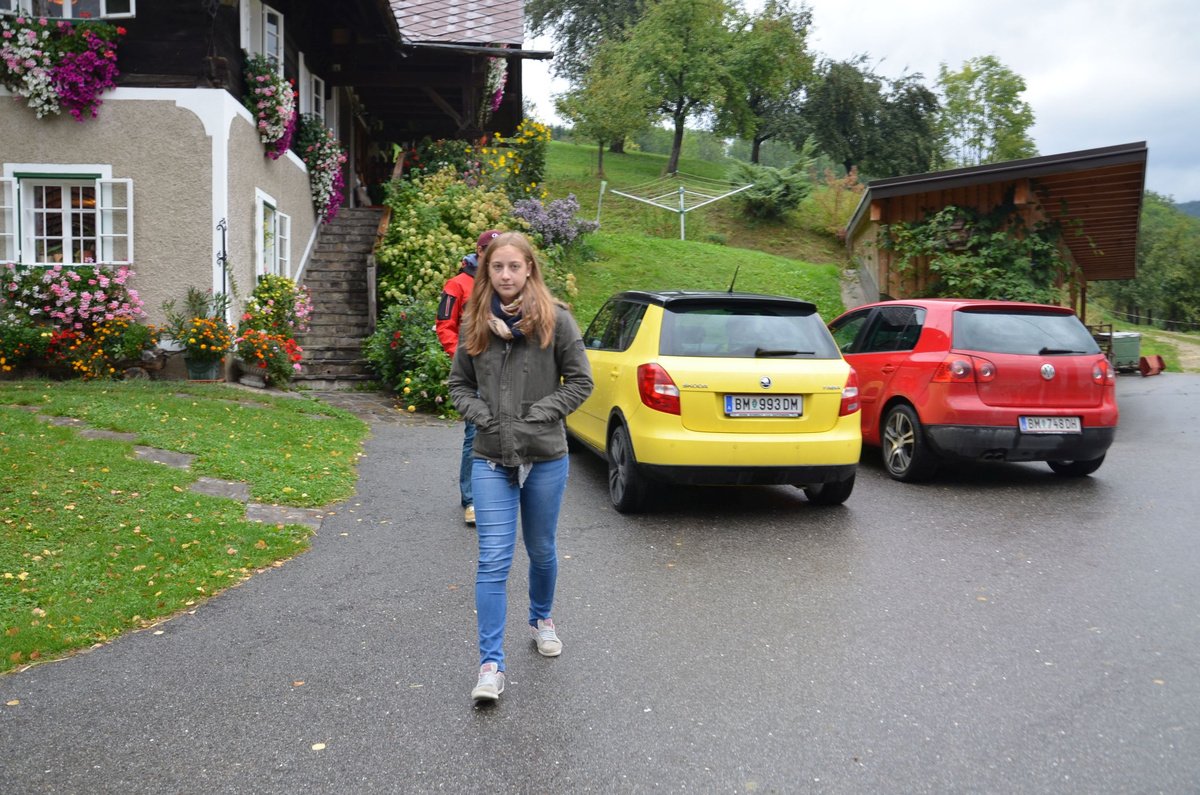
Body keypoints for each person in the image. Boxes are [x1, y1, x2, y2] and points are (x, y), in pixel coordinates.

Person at [448, 231, 594, 704]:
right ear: (486, 271)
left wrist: (540, 413)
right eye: (497, 267)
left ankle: (541, 618)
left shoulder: (557, 320)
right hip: (491, 454)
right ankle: (491, 665)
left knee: (541, 548)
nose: (506, 275)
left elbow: (581, 382)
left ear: (530, 268)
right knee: (493, 559)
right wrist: (483, 416)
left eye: (514, 266)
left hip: (545, 453)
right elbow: (458, 385)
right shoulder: (475, 322)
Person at [436, 229, 501, 526]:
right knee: (475, 434)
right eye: (490, 250)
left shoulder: (504, 282)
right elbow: (444, 325)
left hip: (505, 372)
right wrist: (461, 357)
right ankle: (471, 500)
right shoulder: (457, 284)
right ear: (479, 251)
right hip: (474, 373)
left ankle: (498, 496)